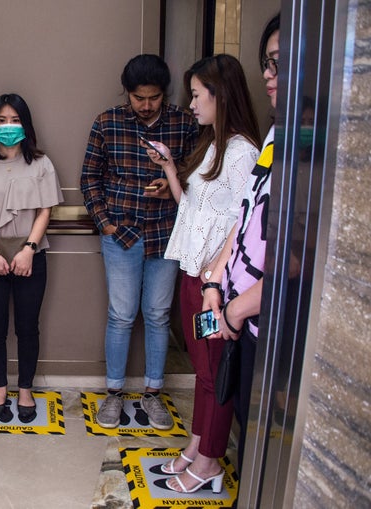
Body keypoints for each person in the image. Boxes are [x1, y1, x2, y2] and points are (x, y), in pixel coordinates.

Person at [144, 55, 261, 493]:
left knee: (214, 374)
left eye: (196, 95)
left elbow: (241, 225)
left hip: (216, 286)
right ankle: (199, 444)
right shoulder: (214, 145)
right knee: (203, 371)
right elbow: (191, 209)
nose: (190, 104)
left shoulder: (244, 153)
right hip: (194, 275)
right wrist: (172, 168)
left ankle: (210, 460)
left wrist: (214, 277)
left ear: (220, 94)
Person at [80, 54, 198, 430]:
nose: (147, 105)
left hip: (167, 233)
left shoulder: (184, 122)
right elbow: (89, 178)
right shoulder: (107, 122)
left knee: (159, 316)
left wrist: (173, 183)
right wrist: (104, 224)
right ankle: (113, 395)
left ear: (165, 94)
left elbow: (200, 175)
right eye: (139, 98)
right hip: (122, 234)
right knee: (120, 315)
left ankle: (153, 394)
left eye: (154, 97)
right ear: (127, 92)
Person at [202, 13, 281, 473]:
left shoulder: (314, 151)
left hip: (266, 324)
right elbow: (245, 215)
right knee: (249, 432)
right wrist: (216, 282)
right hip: (240, 312)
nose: (267, 75)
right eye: (265, 64)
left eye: (277, 63)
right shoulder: (277, 134)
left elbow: (295, 265)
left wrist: (234, 309)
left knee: (267, 448)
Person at [0, 94, 64, 423]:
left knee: (27, 327)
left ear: (26, 124)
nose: (8, 126)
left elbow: (45, 210)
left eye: (15, 120)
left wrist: (29, 249)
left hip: (30, 255)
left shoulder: (41, 163)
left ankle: (24, 389)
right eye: (1, 120)